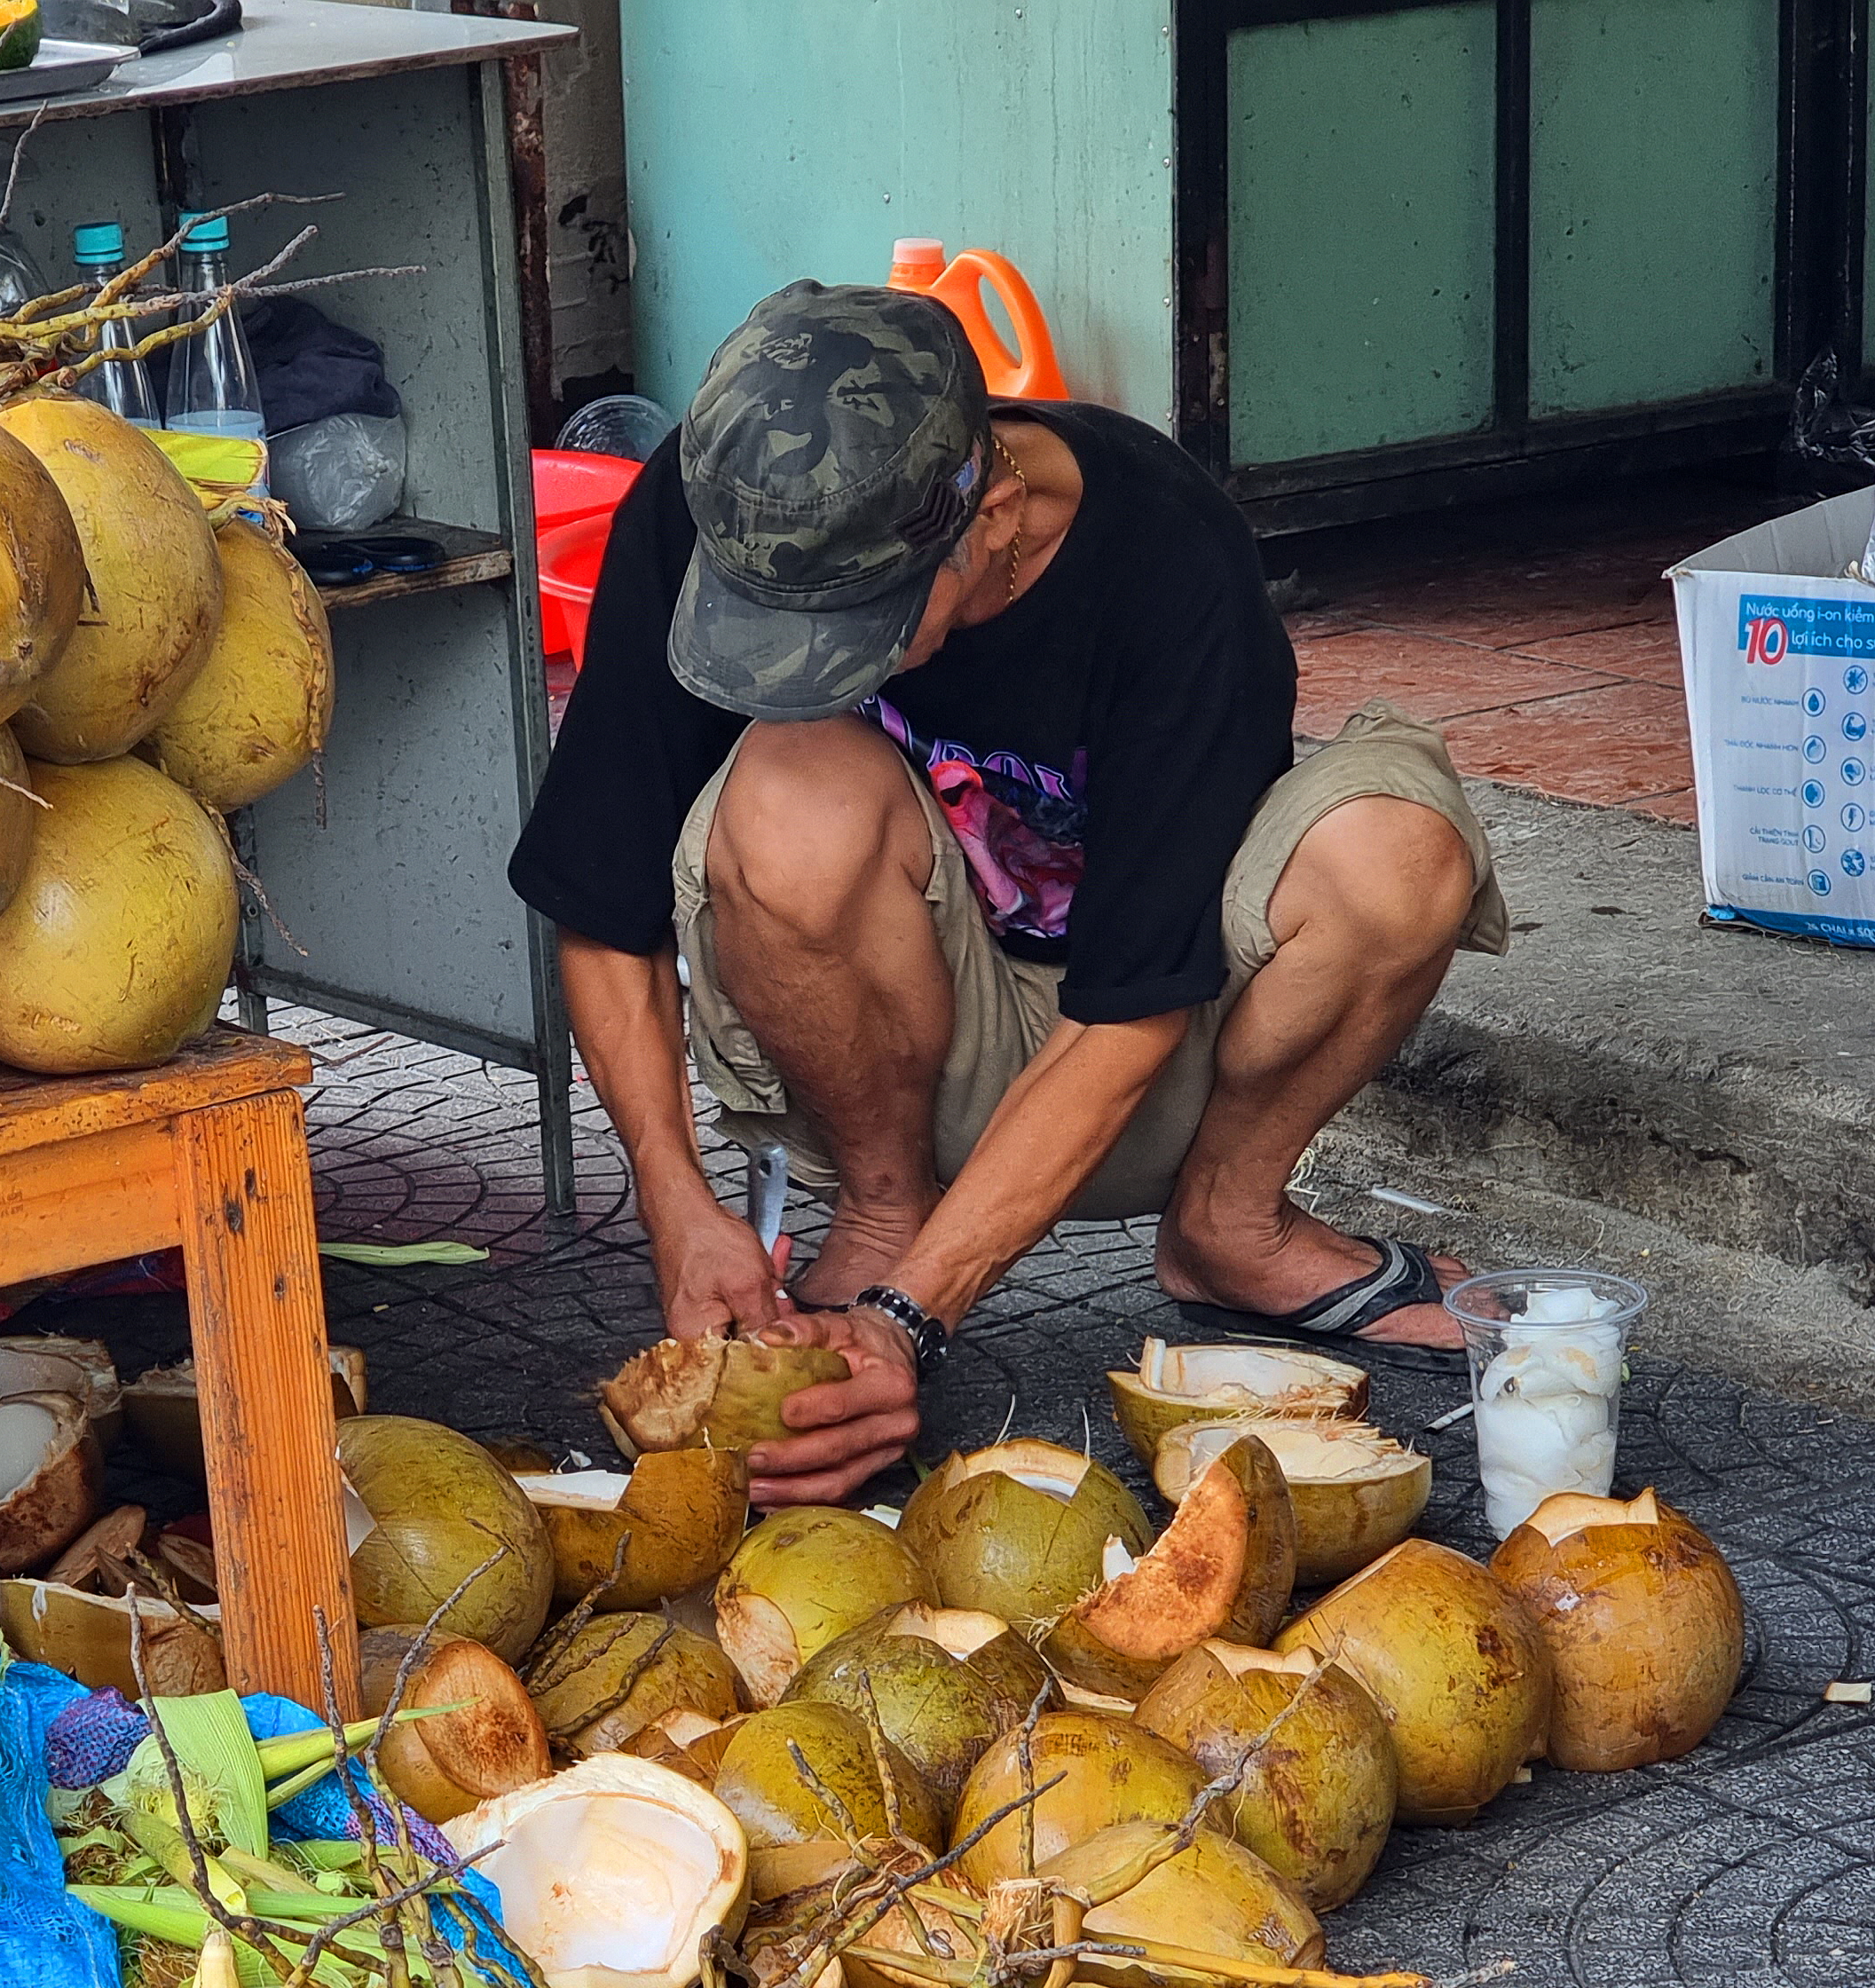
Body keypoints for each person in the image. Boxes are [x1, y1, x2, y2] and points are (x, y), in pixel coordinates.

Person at [511, 281, 1508, 1504]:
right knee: (786, 790)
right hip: (885, 1045)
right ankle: (883, 1214)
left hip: (1155, 1049)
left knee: (1398, 846)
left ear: (998, 514)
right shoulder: (732, 503)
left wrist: (907, 1325)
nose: (816, 657)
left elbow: (1128, 1013)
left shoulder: (1168, 555)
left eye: (860, 623)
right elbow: (601, 899)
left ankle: (1231, 1224)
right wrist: (680, 1205)